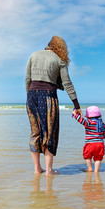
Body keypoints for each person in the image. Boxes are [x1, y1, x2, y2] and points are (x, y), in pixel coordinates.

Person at [25, 36, 82, 176]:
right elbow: (67, 83)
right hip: (48, 96)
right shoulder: (59, 59)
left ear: (49, 45)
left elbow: (27, 78)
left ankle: (37, 168)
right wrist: (76, 105)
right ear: (61, 47)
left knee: (35, 132)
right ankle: (49, 170)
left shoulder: (34, 54)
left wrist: (29, 95)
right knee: (50, 132)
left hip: (31, 95)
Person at [72, 106, 105, 172]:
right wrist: (102, 137)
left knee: (87, 156)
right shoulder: (101, 123)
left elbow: (81, 120)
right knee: (98, 158)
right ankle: (96, 170)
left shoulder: (88, 122)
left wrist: (75, 114)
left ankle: (89, 168)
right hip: (100, 144)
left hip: (90, 144)